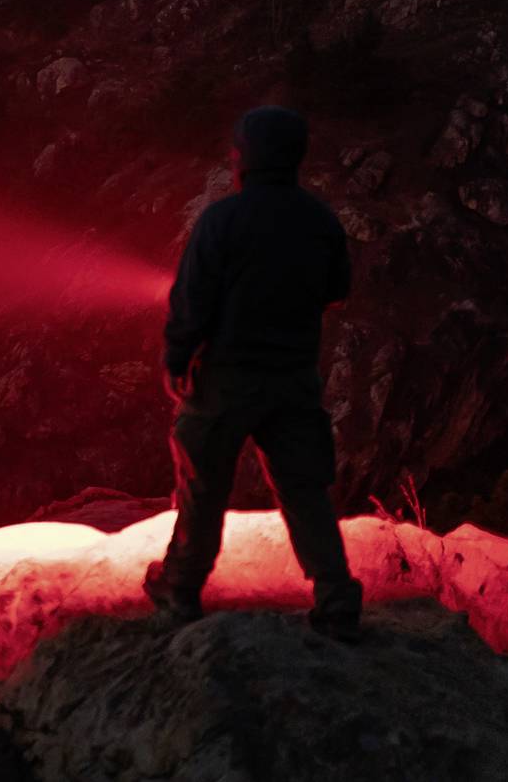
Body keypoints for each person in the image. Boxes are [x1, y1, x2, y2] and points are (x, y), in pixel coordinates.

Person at [145, 105, 364, 641]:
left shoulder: (222, 220)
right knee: (305, 490)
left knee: (203, 486)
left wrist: (177, 358)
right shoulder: (320, 221)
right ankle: (335, 599)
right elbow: (337, 291)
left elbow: (191, 300)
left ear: (246, 157)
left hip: (225, 378)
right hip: (292, 377)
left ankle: (180, 590)